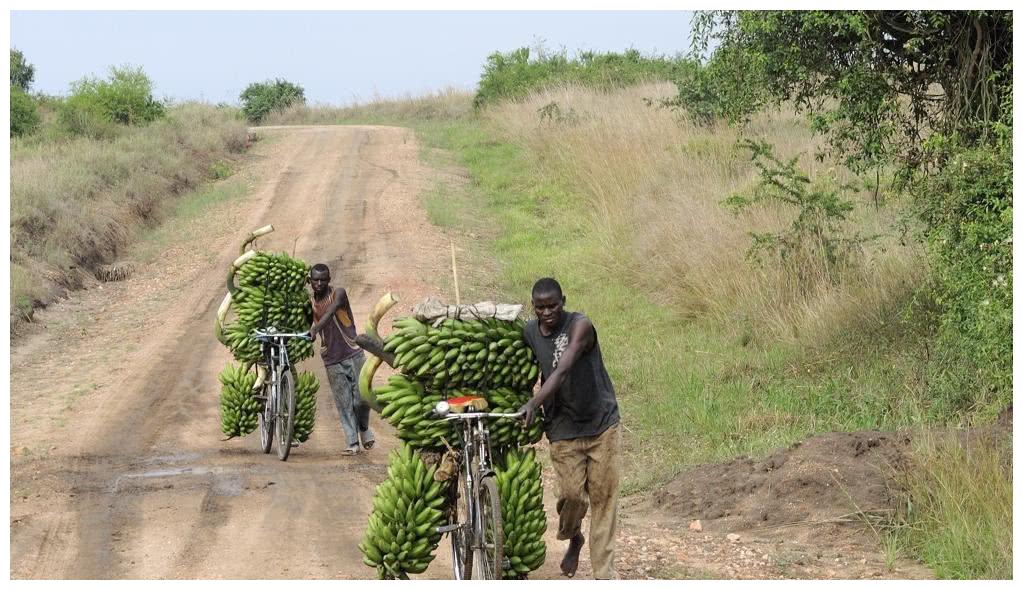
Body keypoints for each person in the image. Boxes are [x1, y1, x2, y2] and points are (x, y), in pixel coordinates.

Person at [518, 277, 621, 580]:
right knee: (571, 495)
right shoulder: (529, 332)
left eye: (553, 306)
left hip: (601, 423)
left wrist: (534, 402)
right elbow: (521, 366)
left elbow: (563, 369)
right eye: (540, 308)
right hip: (562, 427)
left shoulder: (580, 326)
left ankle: (604, 574)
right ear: (533, 307)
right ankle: (574, 537)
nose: (547, 312)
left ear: (563, 301)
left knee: (603, 499)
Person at [308, 263, 376, 456]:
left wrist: (315, 329)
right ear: (309, 281)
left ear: (329, 279)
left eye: (323, 279)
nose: (319, 283)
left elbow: (330, 313)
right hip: (331, 358)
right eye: (315, 280)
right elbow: (306, 323)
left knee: (362, 399)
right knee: (344, 403)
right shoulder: (310, 303)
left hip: (353, 352)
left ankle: (363, 428)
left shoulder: (339, 294)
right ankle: (352, 442)